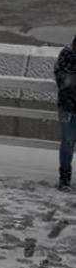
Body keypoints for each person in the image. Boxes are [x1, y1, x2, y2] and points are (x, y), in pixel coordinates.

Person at [55, 36, 76, 189]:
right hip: (67, 106)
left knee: (67, 143)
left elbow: (61, 78)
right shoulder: (67, 55)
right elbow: (62, 79)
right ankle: (65, 176)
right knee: (67, 142)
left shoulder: (66, 55)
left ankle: (65, 177)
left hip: (66, 105)